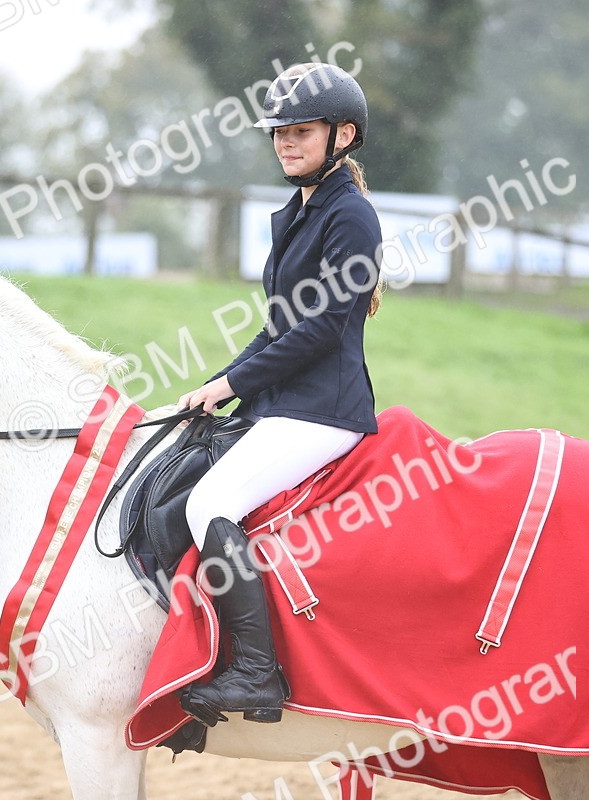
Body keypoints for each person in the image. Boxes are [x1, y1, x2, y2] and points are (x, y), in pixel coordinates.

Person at [177, 62, 383, 728]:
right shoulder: (298, 211)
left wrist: (236, 384)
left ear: (343, 134)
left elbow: (323, 329)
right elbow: (277, 326)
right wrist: (216, 386)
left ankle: (256, 675)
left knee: (212, 501)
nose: (286, 143)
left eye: (301, 131)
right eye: (279, 133)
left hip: (325, 406)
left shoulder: (351, 216)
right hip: (284, 400)